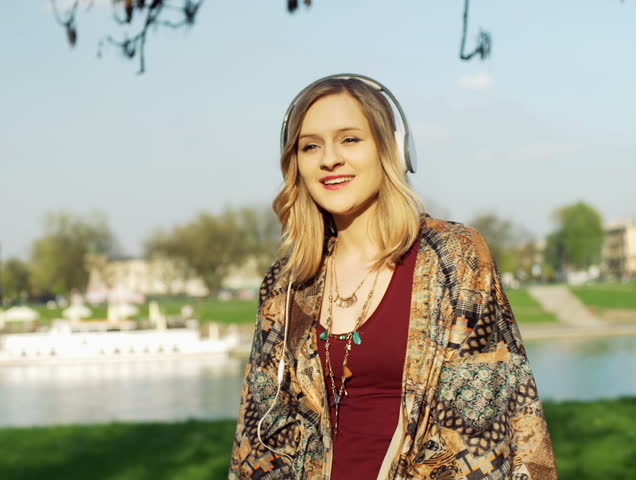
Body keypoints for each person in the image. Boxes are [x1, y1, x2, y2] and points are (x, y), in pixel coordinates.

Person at [228, 74, 557, 480]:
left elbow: (487, 423)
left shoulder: (454, 255)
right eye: (311, 146)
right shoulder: (286, 283)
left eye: (350, 139)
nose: (329, 159)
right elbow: (258, 437)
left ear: (393, 150)